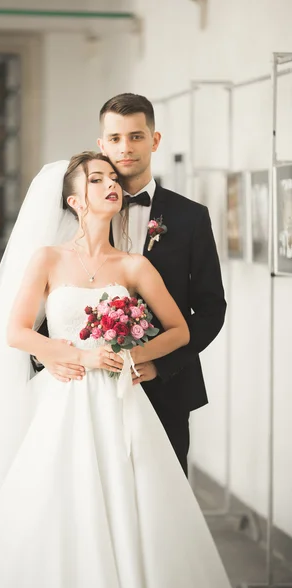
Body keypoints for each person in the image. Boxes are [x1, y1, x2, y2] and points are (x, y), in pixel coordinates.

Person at [0, 152, 234, 588]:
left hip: (120, 402)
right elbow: (17, 331)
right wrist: (72, 355)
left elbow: (179, 331)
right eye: (96, 179)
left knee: (131, 505)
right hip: (61, 397)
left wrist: (131, 354)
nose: (111, 185)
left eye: (113, 179)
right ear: (75, 201)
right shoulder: (47, 259)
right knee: (54, 504)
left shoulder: (134, 266)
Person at [97, 93, 227, 475]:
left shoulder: (190, 217)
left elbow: (210, 308)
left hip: (166, 386)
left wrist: (160, 363)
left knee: (165, 500)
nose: (126, 148)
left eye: (137, 136)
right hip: (90, 384)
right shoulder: (79, 213)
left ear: (154, 141)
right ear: (102, 145)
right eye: (116, 138)